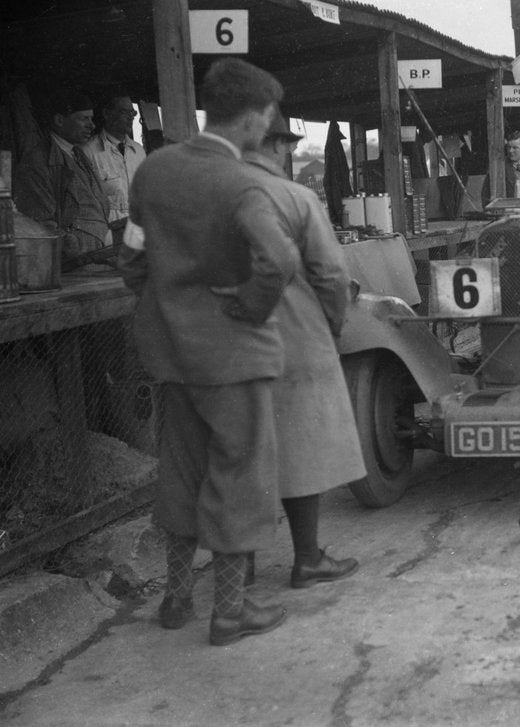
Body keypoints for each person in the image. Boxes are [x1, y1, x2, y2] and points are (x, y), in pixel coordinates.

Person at [119, 58, 296, 646]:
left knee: (180, 474)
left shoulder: (152, 171)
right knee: (238, 478)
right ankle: (230, 612)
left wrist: (165, 305)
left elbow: (133, 256)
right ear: (253, 119)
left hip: (170, 353)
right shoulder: (241, 182)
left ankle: (176, 599)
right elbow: (279, 260)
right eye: (267, 117)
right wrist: (247, 305)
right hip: (234, 357)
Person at [239, 110, 365, 589]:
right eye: (287, 145)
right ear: (273, 145)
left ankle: (241, 568)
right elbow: (332, 275)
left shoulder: (216, 192)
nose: (290, 153)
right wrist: (333, 324)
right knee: (303, 452)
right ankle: (307, 558)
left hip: (232, 343)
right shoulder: (294, 196)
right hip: (294, 336)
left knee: (242, 453)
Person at [13, 88, 111, 268]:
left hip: (97, 263)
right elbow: (39, 227)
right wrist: (76, 249)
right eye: (84, 119)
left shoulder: (78, 154)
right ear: (59, 120)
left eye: (91, 118)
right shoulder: (38, 163)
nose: (92, 125)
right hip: (73, 269)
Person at [81, 92, 146, 227]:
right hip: (109, 233)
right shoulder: (88, 152)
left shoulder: (138, 151)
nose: (130, 118)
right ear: (107, 114)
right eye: (124, 112)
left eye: (132, 112)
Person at [481, 130, 520, 204]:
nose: (510, 151)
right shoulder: (498, 169)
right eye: (508, 147)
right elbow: (485, 197)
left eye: (515, 147)